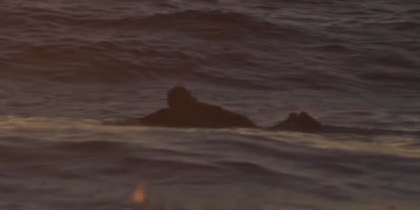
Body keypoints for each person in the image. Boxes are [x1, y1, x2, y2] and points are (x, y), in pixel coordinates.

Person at [136, 86, 323, 132]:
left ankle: (294, 123)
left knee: (263, 131)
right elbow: (142, 121)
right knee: (266, 130)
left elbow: (142, 121)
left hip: (237, 123)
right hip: (236, 122)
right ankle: (293, 122)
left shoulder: (195, 110)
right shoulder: (170, 113)